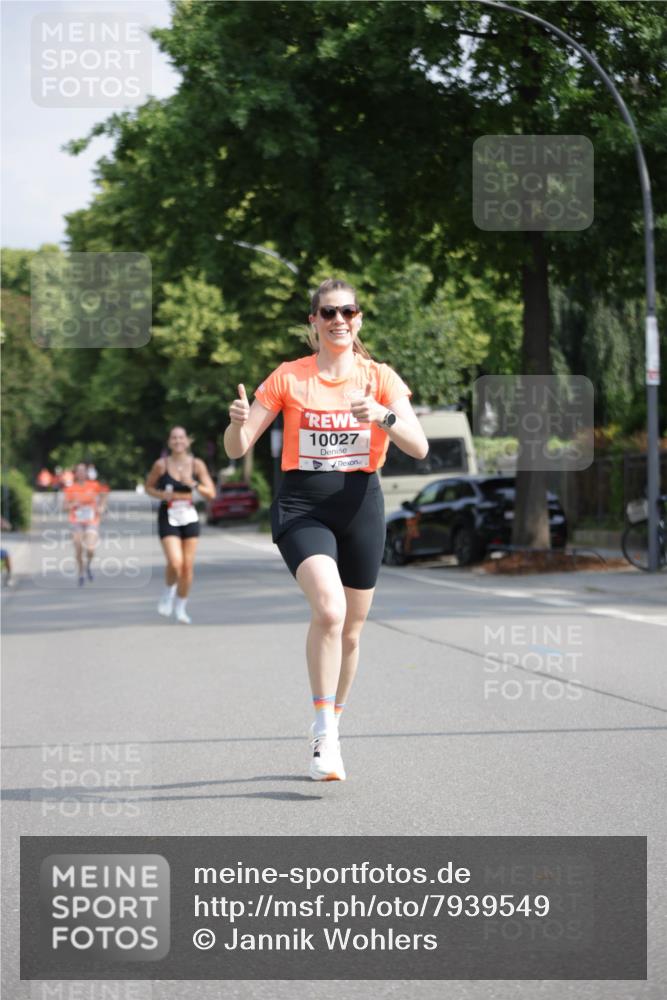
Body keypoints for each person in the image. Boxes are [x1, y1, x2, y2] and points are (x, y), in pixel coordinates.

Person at [224, 278, 428, 781]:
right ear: (313, 322)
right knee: (330, 610)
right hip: (303, 506)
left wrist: (380, 415)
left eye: (347, 312)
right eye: (328, 313)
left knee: (353, 632)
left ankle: (333, 724)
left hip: (361, 505)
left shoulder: (379, 378)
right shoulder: (290, 378)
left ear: (358, 320)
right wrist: (237, 422)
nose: (339, 320)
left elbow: (419, 447)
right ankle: (323, 735)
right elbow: (237, 447)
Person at [145, 427, 215, 624]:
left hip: (189, 516)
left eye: (181, 437)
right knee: (175, 563)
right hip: (168, 514)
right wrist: (161, 495)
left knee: (187, 567)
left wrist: (192, 484)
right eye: (174, 438)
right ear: (169, 442)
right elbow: (148, 487)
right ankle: (168, 592)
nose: (178, 441)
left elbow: (211, 493)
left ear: (188, 441)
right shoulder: (161, 465)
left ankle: (181, 607)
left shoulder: (196, 464)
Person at [62, 463, 109, 586]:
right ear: (76, 474)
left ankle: (88, 565)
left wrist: (102, 506)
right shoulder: (70, 488)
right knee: (78, 549)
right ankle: (81, 572)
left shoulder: (94, 485)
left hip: (91, 521)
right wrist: (73, 505)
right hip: (76, 521)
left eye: (84, 471)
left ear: (87, 473)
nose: (82, 473)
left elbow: (104, 495)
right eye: (79, 471)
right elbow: (64, 506)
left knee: (90, 548)